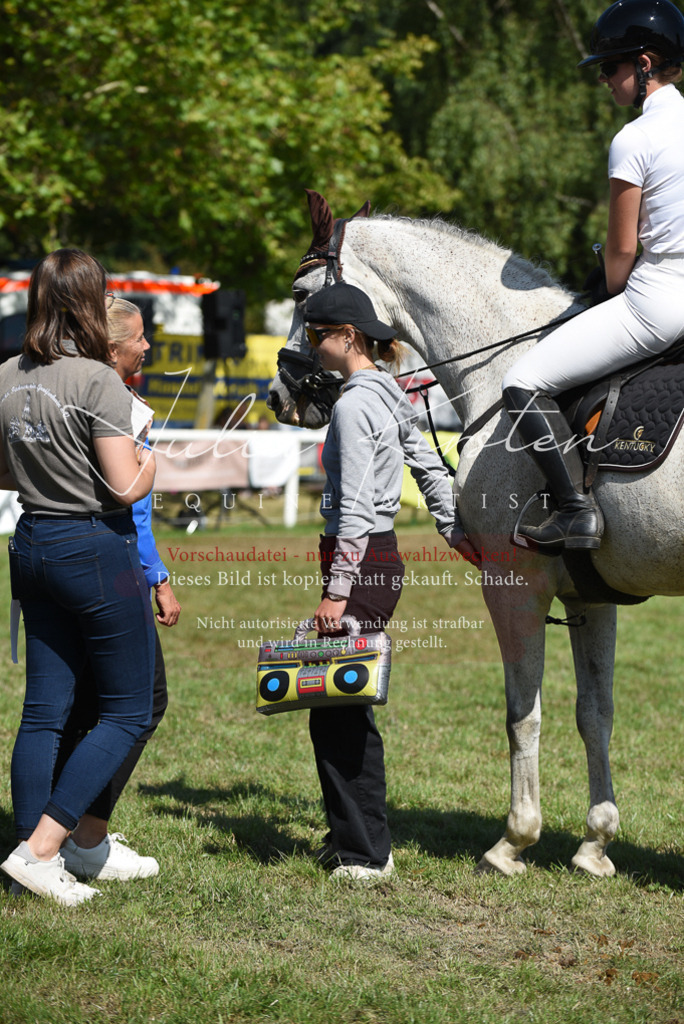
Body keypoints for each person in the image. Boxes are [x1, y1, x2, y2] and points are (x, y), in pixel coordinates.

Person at [302, 282, 479, 883]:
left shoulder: (354, 405)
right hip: (379, 560)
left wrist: (336, 591)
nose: (309, 345)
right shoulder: (390, 391)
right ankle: (353, 837)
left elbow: (353, 507)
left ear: (346, 337)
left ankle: (367, 852)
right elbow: (429, 464)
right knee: (333, 702)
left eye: (315, 335)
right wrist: (455, 530)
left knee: (339, 707)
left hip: (359, 564)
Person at [0, 249, 157, 906]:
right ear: (92, 302)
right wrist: (155, 461)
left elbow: (4, 474)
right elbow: (125, 487)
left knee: (43, 713)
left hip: (30, 540)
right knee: (129, 709)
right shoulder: (98, 379)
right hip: (92, 549)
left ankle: (33, 854)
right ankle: (42, 850)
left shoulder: (6, 373)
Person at [502, 0, 684, 551]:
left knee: (522, 381)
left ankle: (575, 511)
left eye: (611, 67)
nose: (604, 79)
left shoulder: (635, 139)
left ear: (645, 63)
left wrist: (607, 271)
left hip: (658, 302)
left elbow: (623, 254)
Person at [51, 297, 181, 883]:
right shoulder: (119, 405)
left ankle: (45, 833)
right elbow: (133, 506)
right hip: (110, 565)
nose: (148, 346)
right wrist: (157, 577)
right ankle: (85, 838)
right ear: (111, 348)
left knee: (67, 705)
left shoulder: (53, 388)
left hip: (49, 555)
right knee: (139, 702)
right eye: (140, 338)